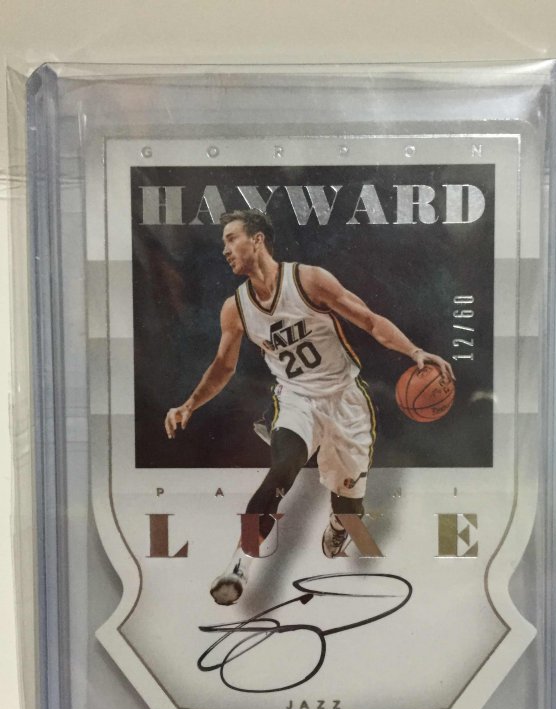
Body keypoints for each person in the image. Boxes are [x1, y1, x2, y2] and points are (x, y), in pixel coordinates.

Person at [164, 209, 454, 606]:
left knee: (348, 503)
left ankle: (340, 520)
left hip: (345, 399)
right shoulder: (236, 308)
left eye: (231, 239)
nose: (225, 250)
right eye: (223, 243)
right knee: (282, 470)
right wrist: (189, 404)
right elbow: (223, 366)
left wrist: (414, 351)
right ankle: (240, 562)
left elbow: (370, 321)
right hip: (296, 399)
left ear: (257, 239)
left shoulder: (308, 280)